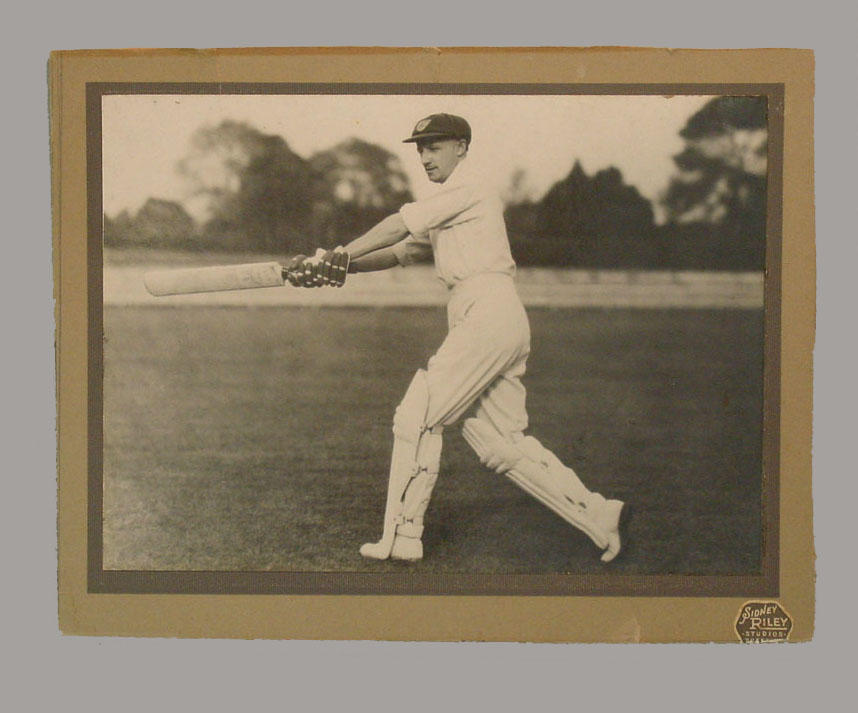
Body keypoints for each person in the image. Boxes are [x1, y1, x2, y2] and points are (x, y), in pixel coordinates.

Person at [288, 113, 625, 563]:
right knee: (500, 441)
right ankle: (598, 512)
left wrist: (336, 254)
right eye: (420, 149)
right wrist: (336, 269)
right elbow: (401, 252)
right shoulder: (449, 204)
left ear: (462, 147)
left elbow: (398, 223)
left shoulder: (470, 186)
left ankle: (403, 537)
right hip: (492, 315)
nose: (425, 158)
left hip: (486, 312)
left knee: (417, 416)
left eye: (434, 147)